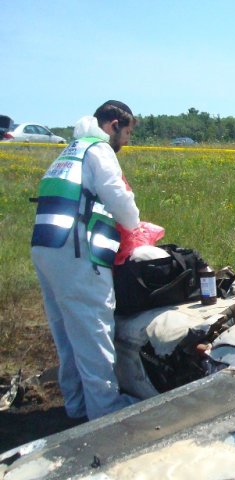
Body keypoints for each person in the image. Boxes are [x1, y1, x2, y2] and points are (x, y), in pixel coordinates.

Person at [31, 100, 141, 420]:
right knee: (94, 329)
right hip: (75, 252)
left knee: (66, 333)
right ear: (113, 124)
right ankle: (105, 412)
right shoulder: (98, 149)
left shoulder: (69, 153)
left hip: (47, 248)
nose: (127, 140)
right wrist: (135, 228)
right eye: (127, 132)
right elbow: (116, 194)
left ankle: (76, 405)